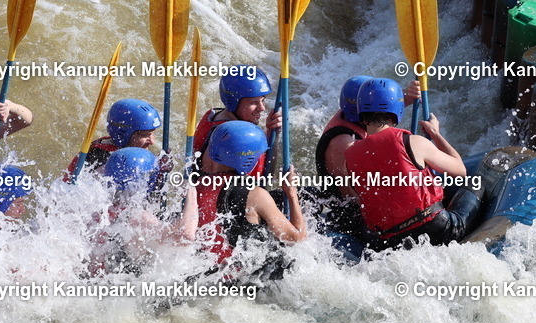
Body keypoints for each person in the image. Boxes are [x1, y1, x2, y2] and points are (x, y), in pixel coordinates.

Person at [344, 78, 482, 250]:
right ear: (397, 109)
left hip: (387, 243)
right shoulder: (413, 142)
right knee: (478, 182)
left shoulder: (350, 155)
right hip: (434, 231)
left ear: (361, 113)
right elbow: (460, 171)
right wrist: (436, 134)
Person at [312, 77, 419, 245]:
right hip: (351, 217)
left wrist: (405, 97)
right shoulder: (344, 143)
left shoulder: (349, 114)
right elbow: (350, 195)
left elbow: (378, 111)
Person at [195, 121, 305, 281]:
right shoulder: (256, 195)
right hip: (246, 281)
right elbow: (296, 238)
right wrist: (291, 193)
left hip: (211, 276)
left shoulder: (197, 186)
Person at [89, 147, 197, 276]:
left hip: (98, 279)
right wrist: (192, 195)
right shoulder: (137, 216)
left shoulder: (93, 207)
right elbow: (185, 236)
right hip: (130, 283)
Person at [192, 67, 281, 176]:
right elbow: (266, 177)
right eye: (253, 102)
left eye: (263, 100)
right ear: (233, 102)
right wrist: (274, 136)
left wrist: (270, 132)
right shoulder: (234, 137)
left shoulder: (213, 115)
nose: (262, 108)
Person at [65, 98, 161, 177]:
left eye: (152, 133)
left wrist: (161, 169)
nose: (152, 141)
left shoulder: (122, 147)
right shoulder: (104, 159)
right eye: (144, 135)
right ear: (123, 134)